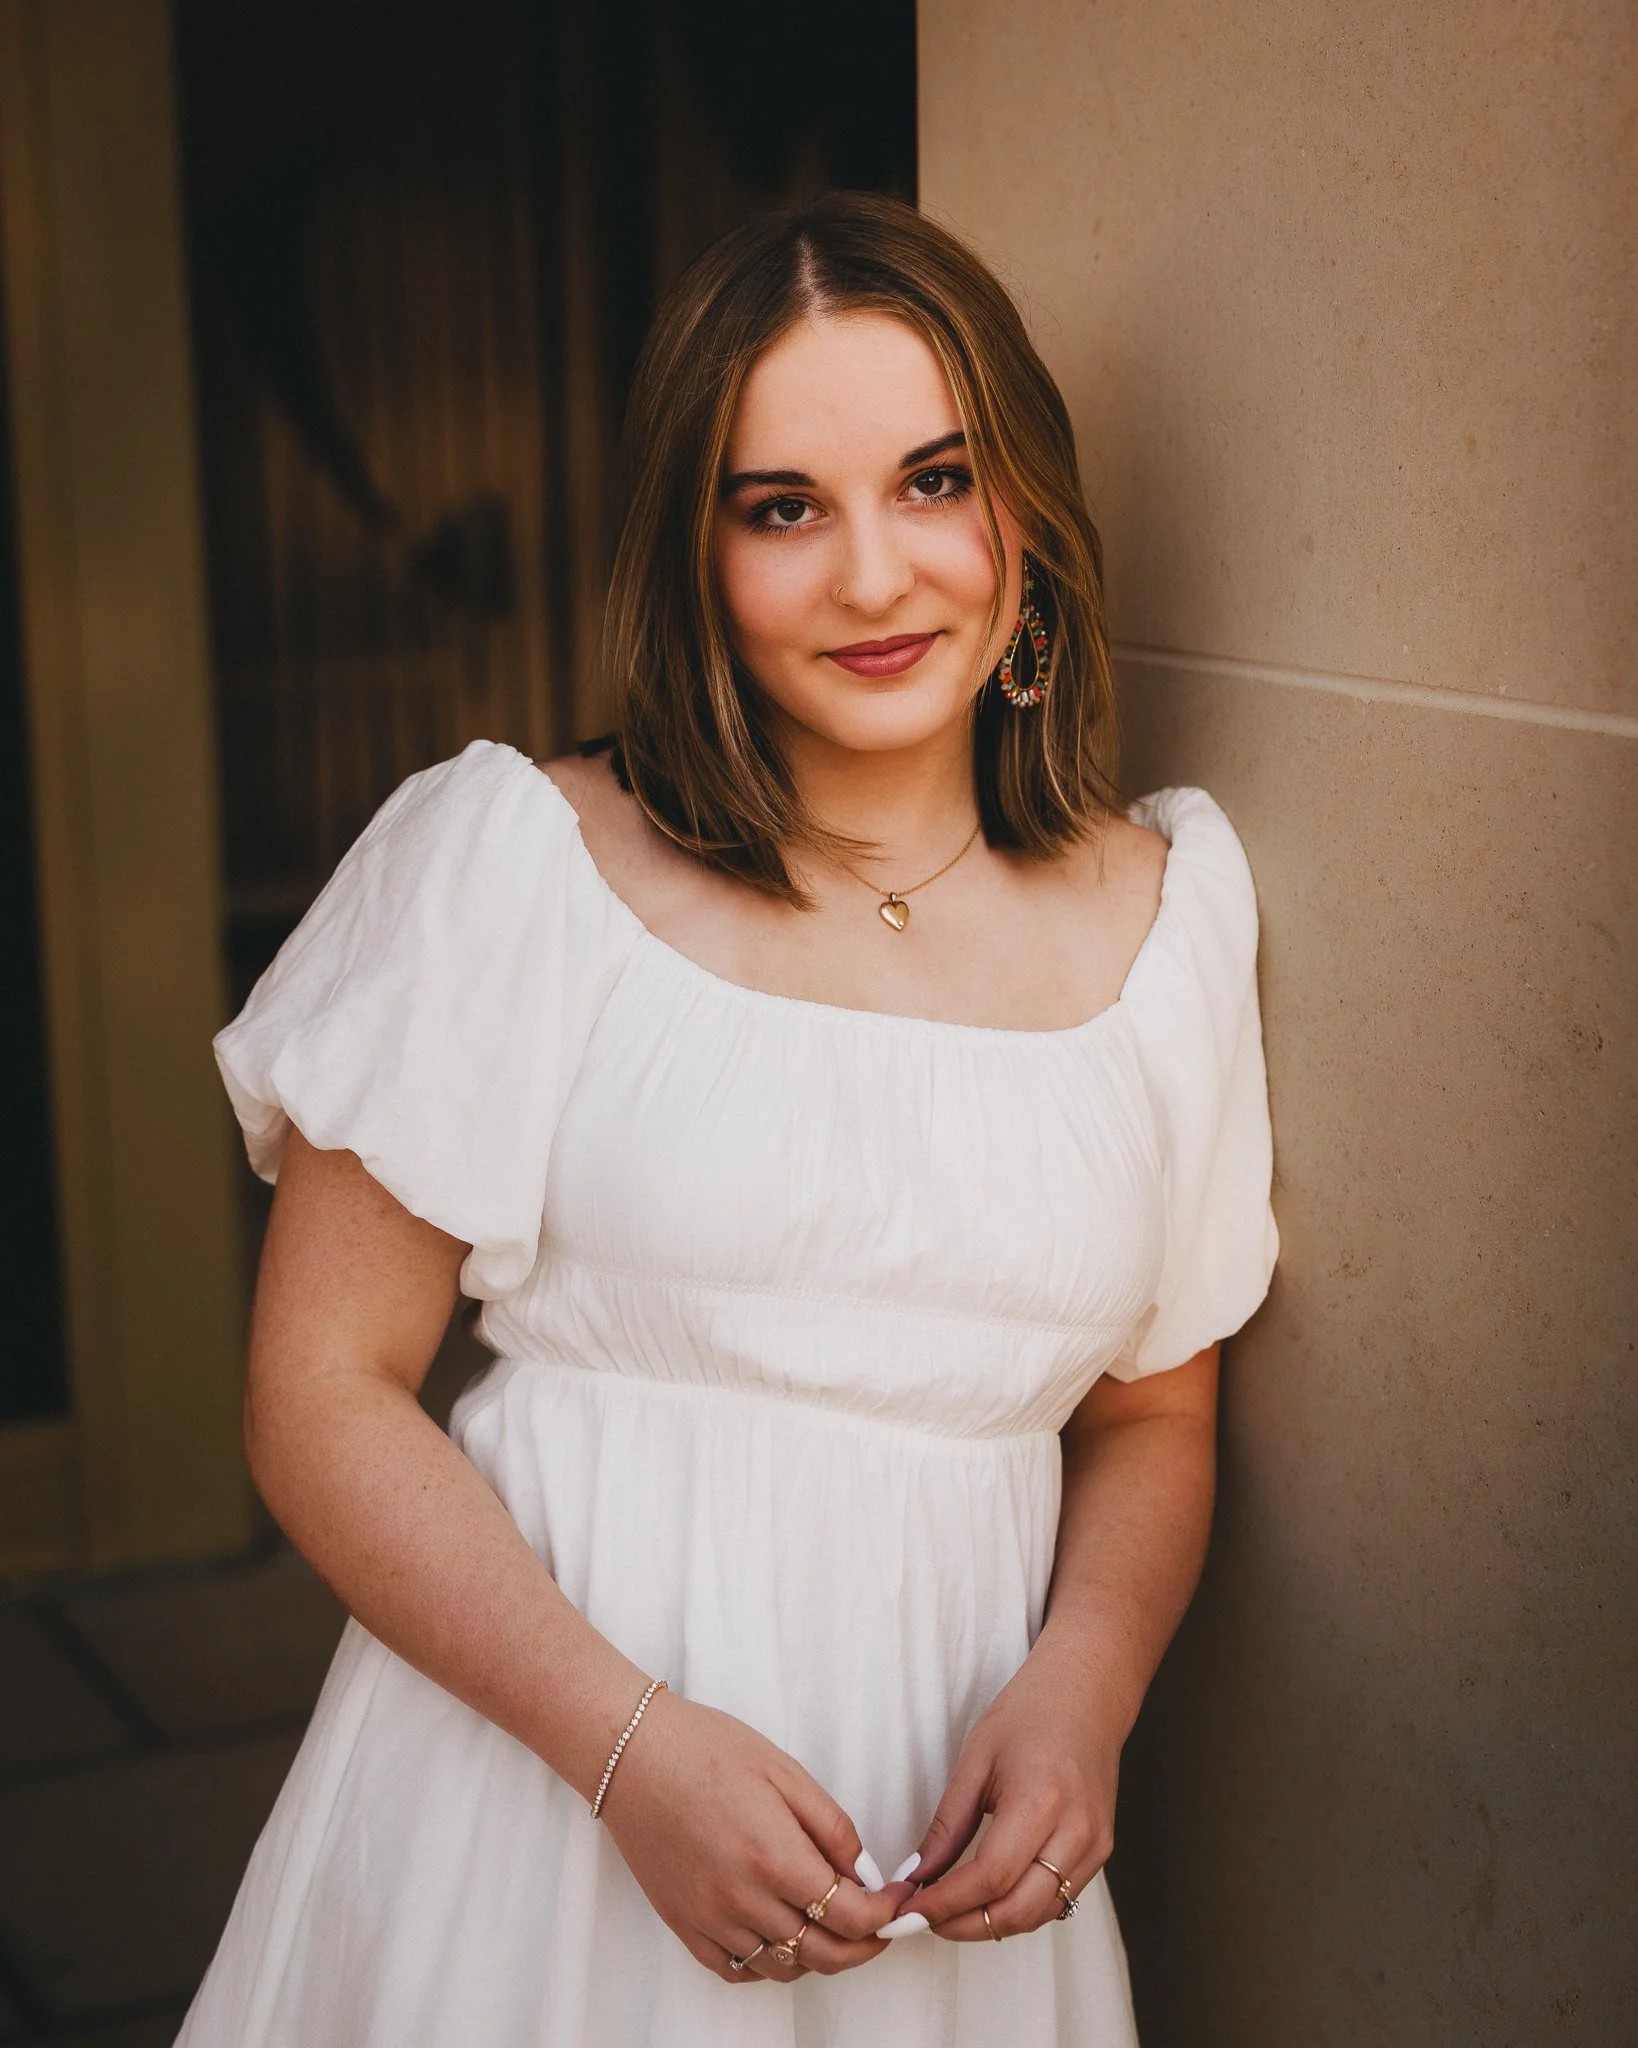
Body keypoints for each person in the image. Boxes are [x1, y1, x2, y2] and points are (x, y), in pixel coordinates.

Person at [177, 191, 1277, 2047]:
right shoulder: (519, 861)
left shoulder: (1164, 921)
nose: (873, 576)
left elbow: (1155, 1410)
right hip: (534, 1836)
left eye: (935, 482)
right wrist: (628, 1754)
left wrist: (1087, 1685)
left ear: (1027, 510)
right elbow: (317, 1391)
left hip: (953, 1905)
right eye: (785, 507)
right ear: (694, 554)